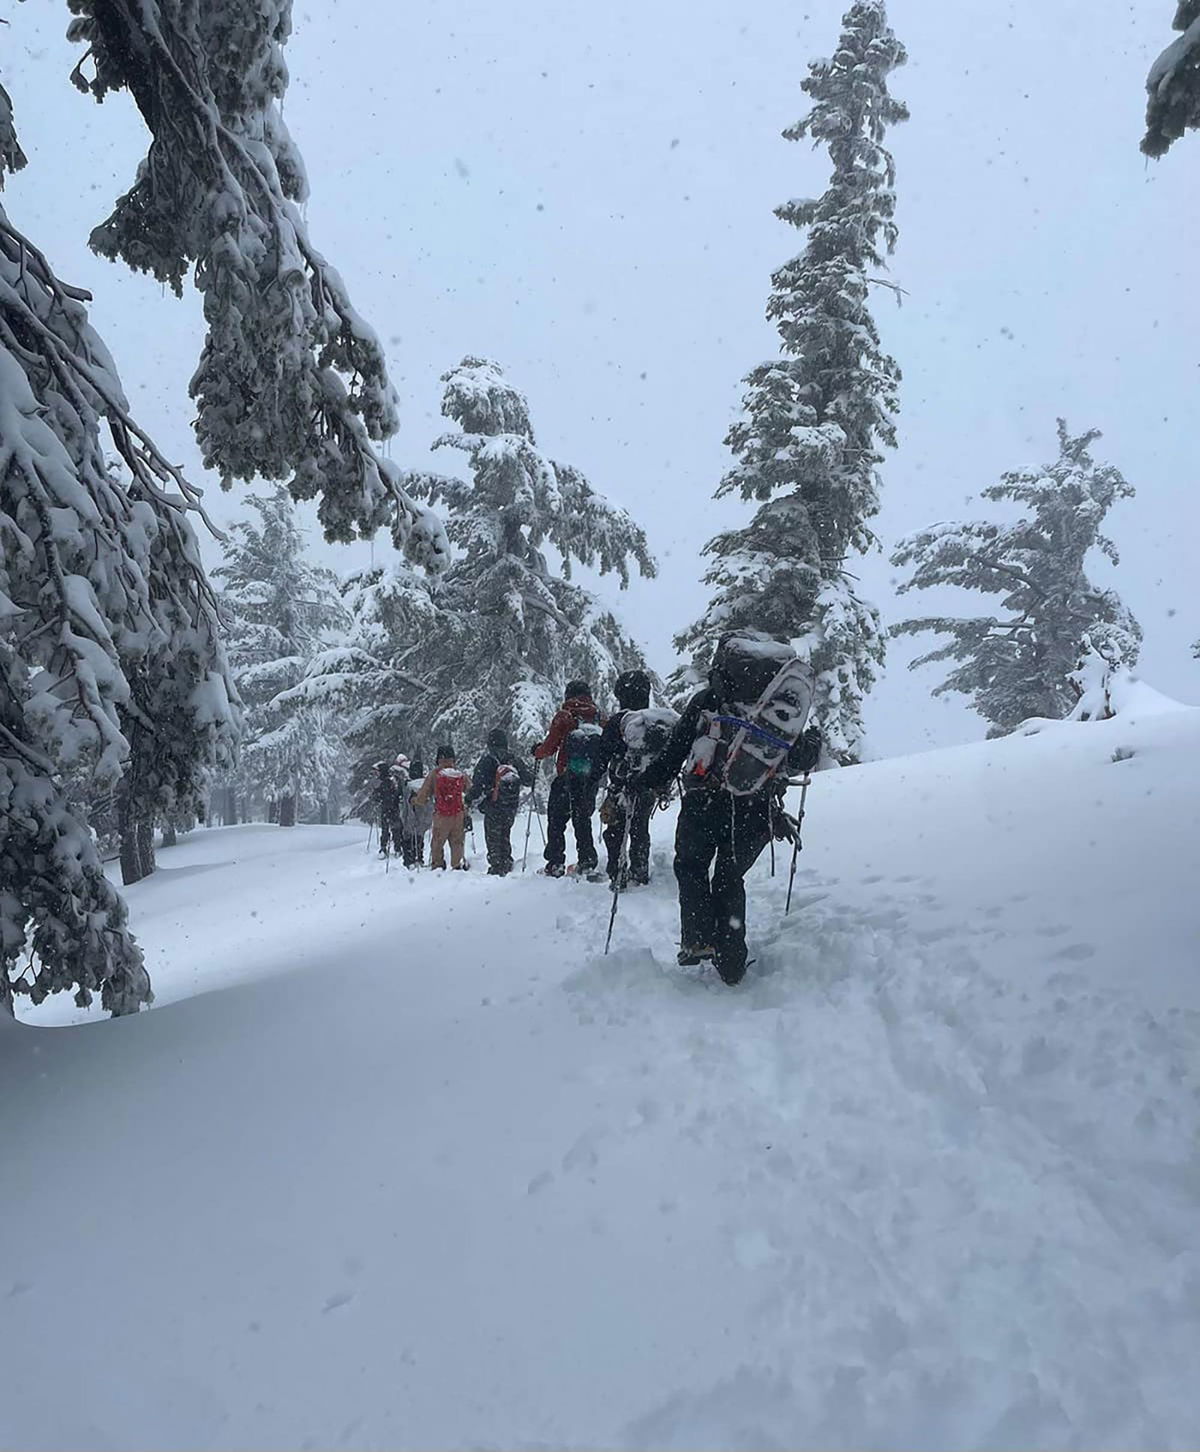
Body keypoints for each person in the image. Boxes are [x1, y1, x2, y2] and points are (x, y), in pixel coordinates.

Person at [638, 633, 821, 985]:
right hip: (755, 805)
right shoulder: (777, 703)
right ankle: (732, 962)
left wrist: (646, 781)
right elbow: (796, 755)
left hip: (702, 803)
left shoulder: (707, 701)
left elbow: (673, 754)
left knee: (691, 866)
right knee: (728, 877)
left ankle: (698, 939)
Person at [586, 669, 676, 887]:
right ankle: (639, 871)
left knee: (615, 831)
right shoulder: (656, 723)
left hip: (620, 787)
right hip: (646, 787)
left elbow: (601, 757)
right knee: (639, 829)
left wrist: (591, 780)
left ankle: (618, 874)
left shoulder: (618, 722)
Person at [532, 679, 604, 878]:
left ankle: (555, 863)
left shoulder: (565, 716)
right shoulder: (599, 717)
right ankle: (587, 863)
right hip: (590, 779)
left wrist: (536, 751)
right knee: (583, 819)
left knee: (556, 820)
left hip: (567, 776)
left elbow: (549, 747)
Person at [468, 727, 533, 876]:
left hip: (493, 804)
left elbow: (478, 785)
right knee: (505, 834)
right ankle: (507, 862)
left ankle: (497, 866)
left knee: (493, 837)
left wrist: (469, 799)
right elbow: (529, 780)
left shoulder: (487, 760)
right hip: (510, 806)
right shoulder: (514, 760)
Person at [414, 745, 471, 870]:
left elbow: (423, 796)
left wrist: (415, 801)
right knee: (457, 842)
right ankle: (457, 866)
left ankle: (438, 866)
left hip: (442, 815)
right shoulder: (459, 774)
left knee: (438, 843)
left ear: (438, 758)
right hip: (458, 813)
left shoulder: (434, 774)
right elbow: (470, 791)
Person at [403, 756, 432, 868]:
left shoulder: (409, 786)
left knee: (409, 841)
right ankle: (418, 858)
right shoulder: (425, 784)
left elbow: (406, 804)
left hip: (411, 819)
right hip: (423, 819)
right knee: (419, 839)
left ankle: (410, 861)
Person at [373, 759, 402, 858]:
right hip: (395, 808)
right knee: (396, 829)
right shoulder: (394, 780)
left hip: (386, 809)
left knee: (385, 829)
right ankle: (397, 848)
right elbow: (399, 794)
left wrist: (377, 796)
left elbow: (378, 797)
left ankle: (383, 848)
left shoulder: (384, 782)